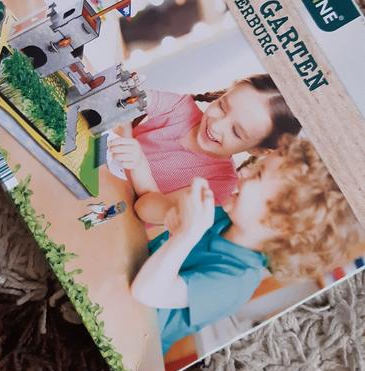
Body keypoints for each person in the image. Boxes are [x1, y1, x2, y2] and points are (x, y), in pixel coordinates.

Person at [130, 136, 363, 354]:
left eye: (259, 174)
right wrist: (140, 164)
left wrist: (186, 234)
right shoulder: (222, 217)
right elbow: (145, 209)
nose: (244, 171)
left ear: (280, 222)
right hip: (121, 277)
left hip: (132, 338)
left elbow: (146, 292)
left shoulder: (237, 280)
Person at [108, 74, 301, 204]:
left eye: (236, 132)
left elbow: (156, 210)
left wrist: (138, 163)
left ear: (258, 150)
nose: (217, 125)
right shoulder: (180, 107)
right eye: (222, 107)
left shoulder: (221, 183)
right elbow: (126, 101)